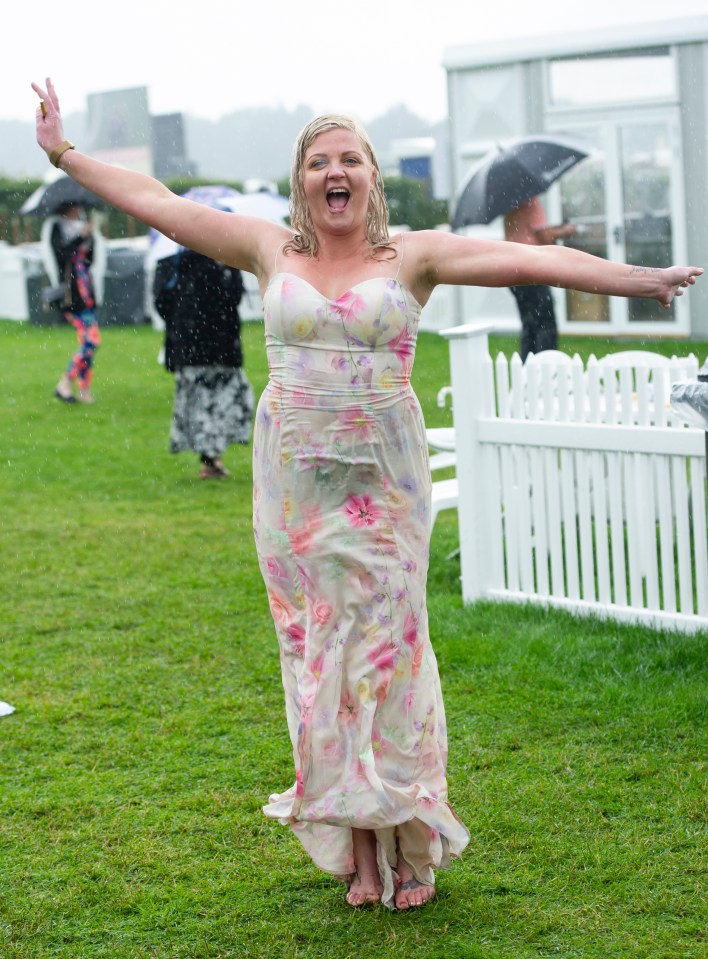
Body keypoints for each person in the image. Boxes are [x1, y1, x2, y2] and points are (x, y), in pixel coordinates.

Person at [32, 78, 702, 912]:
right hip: (296, 491)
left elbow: (533, 259)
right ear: (302, 180)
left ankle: (409, 839)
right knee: (319, 658)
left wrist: (641, 280)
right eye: (320, 161)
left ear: (372, 178)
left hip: (384, 487)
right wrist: (65, 153)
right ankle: (356, 845)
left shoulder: (410, 257)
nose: (335, 171)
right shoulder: (272, 250)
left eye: (350, 159)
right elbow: (160, 202)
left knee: (390, 656)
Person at [153, 249, 254, 479]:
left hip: (220, 347)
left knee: (229, 400)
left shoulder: (227, 258)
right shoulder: (177, 261)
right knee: (203, 405)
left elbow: (234, 297)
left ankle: (211, 458)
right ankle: (210, 460)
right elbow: (163, 302)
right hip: (195, 347)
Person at [503, 194, 577, 361]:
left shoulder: (509, 206)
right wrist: (566, 231)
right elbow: (544, 236)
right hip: (532, 270)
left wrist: (553, 228)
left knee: (529, 325)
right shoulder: (531, 202)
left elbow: (527, 231)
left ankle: (527, 370)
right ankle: (546, 367)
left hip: (513, 270)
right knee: (546, 324)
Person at [50, 202, 100, 403]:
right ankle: (64, 383)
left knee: (87, 344)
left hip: (86, 292)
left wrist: (90, 237)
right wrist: (80, 237)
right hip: (72, 297)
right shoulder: (57, 228)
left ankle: (83, 390)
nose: (78, 211)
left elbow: (89, 260)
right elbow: (62, 256)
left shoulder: (82, 227)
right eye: (74, 207)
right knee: (91, 342)